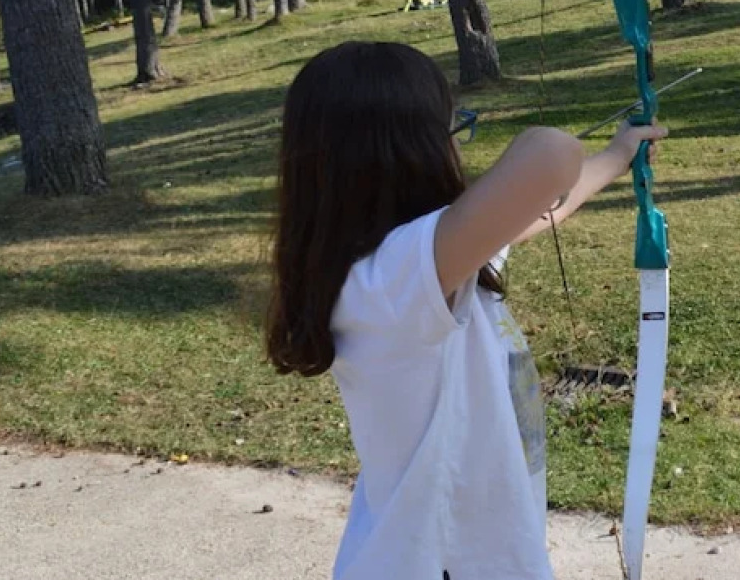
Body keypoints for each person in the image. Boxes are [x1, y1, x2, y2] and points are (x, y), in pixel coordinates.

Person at [266, 41, 666, 580]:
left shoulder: (406, 266)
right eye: (454, 129)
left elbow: (540, 210)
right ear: (411, 151)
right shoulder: (395, 277)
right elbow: (550, 155)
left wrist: (617, 156)